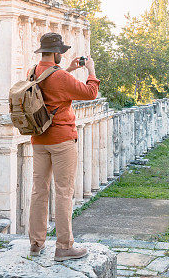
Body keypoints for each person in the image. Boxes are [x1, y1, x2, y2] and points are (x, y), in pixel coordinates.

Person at [28, 32, 100, 261]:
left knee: (39, 191)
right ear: (58, 53)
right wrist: (91, 70)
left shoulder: (33, 71)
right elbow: (90, 93)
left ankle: (36, 243)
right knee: (63, 192)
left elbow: (49, 88)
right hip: (61, 140)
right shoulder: (60, 77)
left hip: (39, 140)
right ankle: (64, 246)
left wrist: (68, 70)